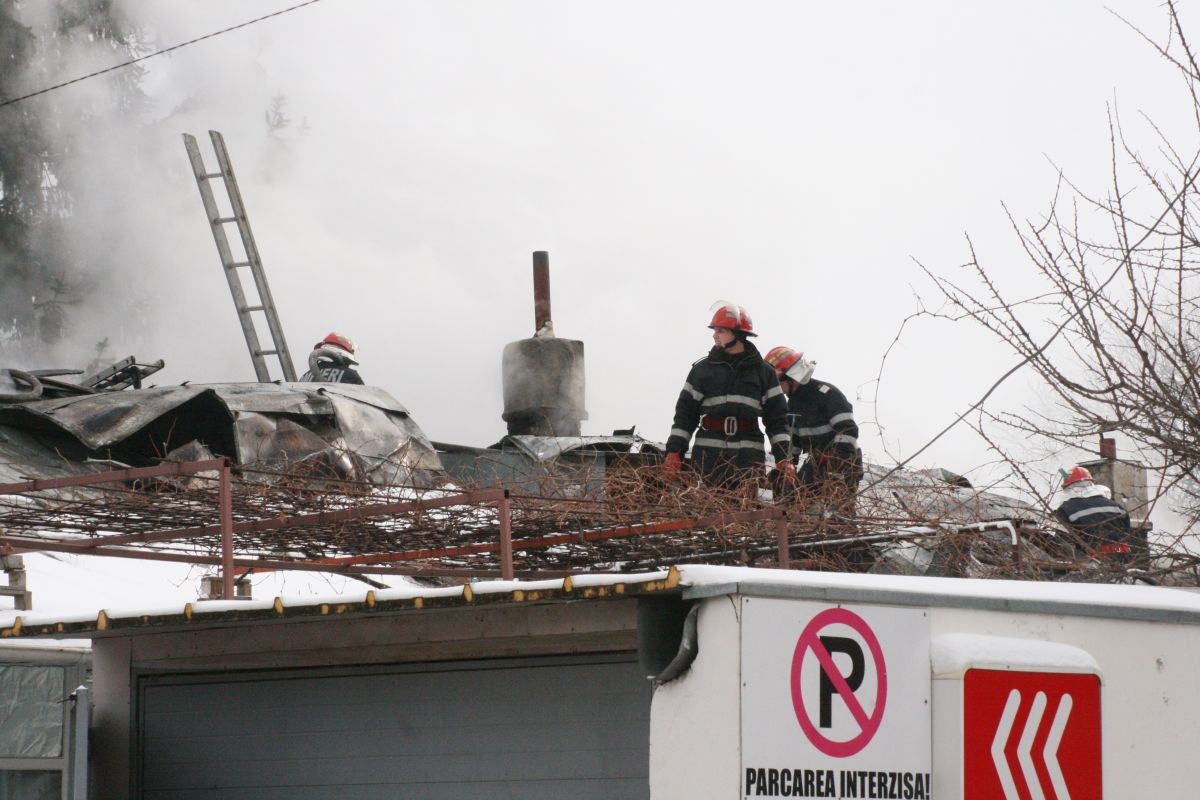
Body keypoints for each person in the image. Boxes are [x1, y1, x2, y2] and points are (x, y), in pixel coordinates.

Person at [663, 302, 792, 489]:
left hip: (748, 460)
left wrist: (783, 459)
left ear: (738, 335)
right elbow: (685, 414)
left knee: (746, 513)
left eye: (721, 330)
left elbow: (777, 420)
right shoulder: (702, 370)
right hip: (709, 459)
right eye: (715, 330)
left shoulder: (764, 373)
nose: (714, 335)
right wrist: (674, 452)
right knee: (707, 513)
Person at [764, 345, 862, 511]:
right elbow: (793, 444)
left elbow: (848, 431)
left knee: (837, 513)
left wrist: (834, 460)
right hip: (816, 462)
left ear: (791, 377)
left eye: (777, 382)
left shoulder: (827, 394)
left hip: (843, 461)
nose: (776, 388)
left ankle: (844, 533)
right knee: (794, 502)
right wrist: (786, 467)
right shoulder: (792, 405)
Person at [1054, 465, 1133, 561]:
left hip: (1092, 564)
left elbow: (1063, 543)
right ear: (1091, 483)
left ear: (1068, 488)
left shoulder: (1065, 509)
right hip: (1123, 560)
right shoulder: (1115, 506)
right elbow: (1128, 533)